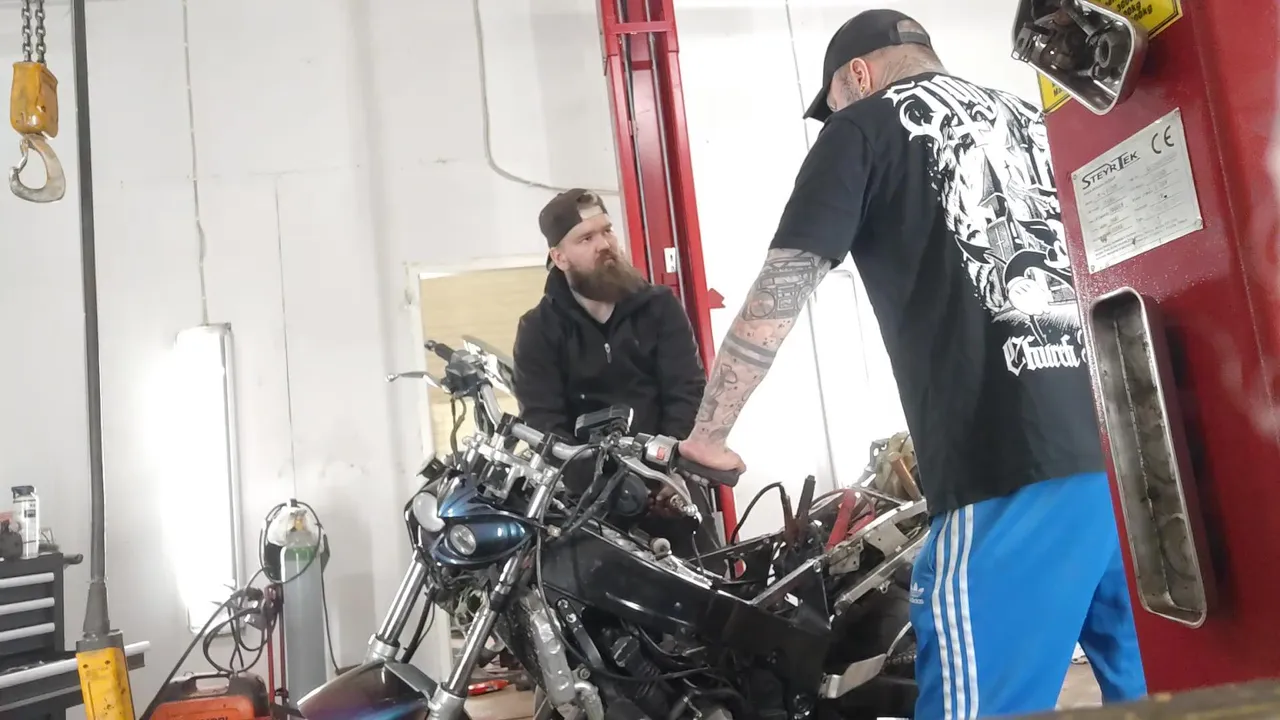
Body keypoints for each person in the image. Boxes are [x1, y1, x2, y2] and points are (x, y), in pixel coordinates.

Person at [676, 9, 1147, 718]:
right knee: (1171, 691)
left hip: (1009, 466)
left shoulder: (862, 127)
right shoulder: (1038, 118)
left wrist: (708, 435)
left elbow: (781, 289)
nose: (835, 115)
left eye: (834, 101)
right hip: (1129, 455)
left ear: (857, 75)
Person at [512, 188, 720, 558]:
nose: (604, 244)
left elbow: (687, 392)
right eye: (586, 238)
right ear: (559, 257)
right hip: (592, 506)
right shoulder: (538, 331)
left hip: (671, 488)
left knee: (712, 587)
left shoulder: (659, 307)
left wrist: (665, 472)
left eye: (607, 230)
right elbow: (544, 424)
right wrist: (606, 486)